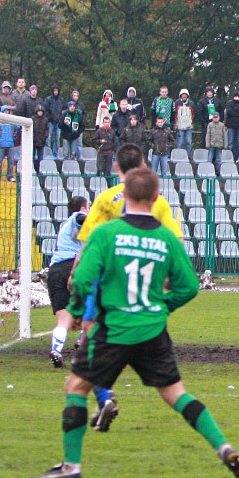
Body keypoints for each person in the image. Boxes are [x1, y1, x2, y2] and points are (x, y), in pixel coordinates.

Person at [39, 167, 239, 478]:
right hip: (152, 328)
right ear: (156, 198)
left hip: (112, 328)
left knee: (76, 387)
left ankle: (71, 466)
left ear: (123, 195)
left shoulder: (105, 234)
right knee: (177, 395)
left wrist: (78, 308)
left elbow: (82, 279)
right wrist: (162, 307)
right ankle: (222, 447)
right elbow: (189, 286)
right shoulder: (166, 238)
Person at [76, 144, 185, 431]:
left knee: (92, 338)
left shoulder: (105, 198)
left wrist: (76, 272)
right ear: (144, 165)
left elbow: (88, 242)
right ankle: (103, 396)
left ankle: (103, 395)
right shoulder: (157, 200)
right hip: (142, 287)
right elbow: (176, 241)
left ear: (116, 167)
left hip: (105, 282)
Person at [46, 195, 89, 368]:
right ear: (83, 208)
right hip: (74, 267)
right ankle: (82, 342)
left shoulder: (65, 228)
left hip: (55, 270)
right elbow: (81, 218)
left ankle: (56, 350)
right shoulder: (77, 219)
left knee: (63, 320)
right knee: (95, 308)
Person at [223, 89, 239, 161]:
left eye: (238, 96)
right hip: (230, 125)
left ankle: (237, 158)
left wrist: (235, 110)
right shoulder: (229, 103)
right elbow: (229, 112)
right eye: (236, 96)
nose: (237, 98)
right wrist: (238, 112)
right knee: (230, 143)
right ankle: (229, 158)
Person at [0, 106, 18, 182]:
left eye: (7, 110)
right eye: (5, 111)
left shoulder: (12, 120)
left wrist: (13, 136)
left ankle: (10, 176)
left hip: (10, 144)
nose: (6, 112)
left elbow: (18, 127)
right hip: (1, 144)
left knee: (11, 162)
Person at [173, 89, 196, 156]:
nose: (184, 96)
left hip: (188, 127)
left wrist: (190, 121)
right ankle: (178, 157)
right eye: (183, 94)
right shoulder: (177, 103)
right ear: (180, 95)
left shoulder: (191, 103)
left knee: (188, 142)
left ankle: (188, 157)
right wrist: (175, 124)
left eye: (185, 94)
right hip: (180, 127)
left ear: (187, 95)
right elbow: (175, 114)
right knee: (180, 143)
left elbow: (193, 114)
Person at [31, 104, 49, 170]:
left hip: (42, 141)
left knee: (40, 157)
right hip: (34, 141)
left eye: (41, 111)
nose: (40, 113)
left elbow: (47, 129)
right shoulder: (32, 119)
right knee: (32, 156)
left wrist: (45, 136)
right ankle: (32, 169)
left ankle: (40, 169)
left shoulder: (45, 120)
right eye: (39, 111)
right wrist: (33, 137)